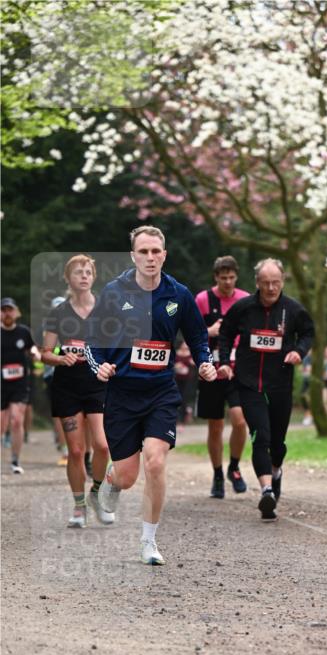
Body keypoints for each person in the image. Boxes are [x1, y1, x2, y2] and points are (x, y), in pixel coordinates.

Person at [85, 225, 216, 565]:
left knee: (155, 462)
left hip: (160, 391)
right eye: (143, 251)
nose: (150, 257)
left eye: (156, 251)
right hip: (122, 394)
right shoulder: (114, 292)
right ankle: (109, 483)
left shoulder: (178, 294)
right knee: (127, 477)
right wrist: (99, 367)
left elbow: (199, 338)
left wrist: (204, 362)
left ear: (164, 255)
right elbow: (91, 342)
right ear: (133, 256)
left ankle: (149, 542)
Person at [218, 258, 314, 520]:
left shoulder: (293, 310)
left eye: (276, 282)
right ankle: (266, 491)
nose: (271, 288)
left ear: (282, 281)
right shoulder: (243, 308)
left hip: (280, 383)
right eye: (266, 283)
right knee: (260, 437)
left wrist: (298, 351)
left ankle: (276, 471)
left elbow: (308, 333)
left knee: (277, 443)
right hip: (249, 383)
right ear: (257, 283)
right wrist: (225, 363)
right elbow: (225, 333)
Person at [41, 255, 112, 528]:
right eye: (78, 272)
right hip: (67, 387)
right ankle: (79, 506)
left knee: (103, 445)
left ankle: (96, 493)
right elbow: (45, 353)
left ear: (93, 277)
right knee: (76, 450)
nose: (83, 276)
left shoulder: (105, 310)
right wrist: (60, 358)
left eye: (87, 272)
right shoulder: (58, 313)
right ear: (68, 279)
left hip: (97, 384)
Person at [194, 255, 249, 498]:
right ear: (216, 277)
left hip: (237, 370)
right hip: (211, 370)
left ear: (236, 277)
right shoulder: (203, 300)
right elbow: (192, 333)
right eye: (223, 278)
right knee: (215, 426)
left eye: (231, 277)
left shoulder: (245, 299)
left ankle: (234, 467)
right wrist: (210, 331)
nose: (227, 282)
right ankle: (217, 475)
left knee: (240, 421)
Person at [1, 297, 39, 474]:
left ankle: (15, 460)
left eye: (10, 309)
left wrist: (34, 354)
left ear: (16, 312)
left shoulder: (24, 332)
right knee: (2, 423)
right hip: (1, 383)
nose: (7, 313)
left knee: (17, 420)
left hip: (20, 383)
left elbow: (32, 348)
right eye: (4, 310)